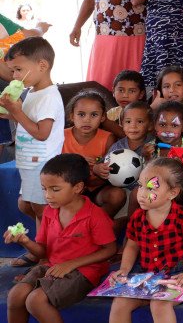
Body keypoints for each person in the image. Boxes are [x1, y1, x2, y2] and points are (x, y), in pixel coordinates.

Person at [4, 154, 116, 323]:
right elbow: (42, 251)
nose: (48, 196)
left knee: (35, 300)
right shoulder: (49, 212)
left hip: (83, 272)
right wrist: (24, 241)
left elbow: (110, 250)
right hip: (52, 266)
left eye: (55, 189)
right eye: (44, 189)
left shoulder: (94, 215)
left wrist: (71, 264)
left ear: (78, 187)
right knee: (15, 295)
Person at [109, 158, 183, 323]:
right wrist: (124, 269)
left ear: (172, 193)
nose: (142, 193)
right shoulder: (137, 217)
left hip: (176, 275)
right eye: (140, 185)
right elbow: (132, 246)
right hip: (147, 274)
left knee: (159, 305)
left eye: (151, 188)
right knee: (120, 303)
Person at [0, 37, 65, 268]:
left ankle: (45, 257)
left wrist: (16, 112)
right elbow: (26, 117)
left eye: (19, 70)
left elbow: (41, 132)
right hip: (28, 162)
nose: (15, 76)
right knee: (26, 205)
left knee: (42, 209)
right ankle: (41, 248)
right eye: (12, 71)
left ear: (42, 66)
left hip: (43, 163)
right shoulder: (32, 92)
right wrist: (8, 110)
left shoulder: (49, 96)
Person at [62, 90, 123, 218]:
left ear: (102, 117)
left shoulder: (108, 138)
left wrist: (100, 169)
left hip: (98, 188)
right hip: (72, 190)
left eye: (94, 115)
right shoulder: (61, 136)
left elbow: (111, 168)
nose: (87, 120)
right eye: (81, 114)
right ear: (72, 116)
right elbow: (55, 167)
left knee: (117, 195)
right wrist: (78, 162)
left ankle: (97, 223)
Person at [103, 69, 145, 139]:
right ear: (113, 91)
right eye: (121, 90)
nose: (125, 95)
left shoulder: (145, 113)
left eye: (132, 91)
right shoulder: (112, 113)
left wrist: (107, 122)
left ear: (141, 94)